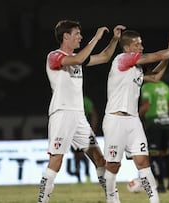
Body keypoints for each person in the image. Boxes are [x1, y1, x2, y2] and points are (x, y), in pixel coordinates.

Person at [37, 20, 125, 203]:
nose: (80, 37)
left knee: (99, 159)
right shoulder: (54, 56)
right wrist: (96, 37)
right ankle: (42, 201)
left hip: (78, 117)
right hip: (61, 114)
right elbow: (77, 59)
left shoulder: (77, 59)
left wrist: (115, 40)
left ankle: (113, 200)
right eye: (77, 34)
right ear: (66, 36)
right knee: (56, 160)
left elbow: (104, 57)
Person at [102, 30, 169, 203]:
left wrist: (168, 54)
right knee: (113, 165)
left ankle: (155, 200)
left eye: (141, 43)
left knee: (143, 161)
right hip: (115, 119)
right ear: (127, 47)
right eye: (137, 44)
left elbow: (156, 77)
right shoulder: (121, 59)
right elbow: (155, 56)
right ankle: (112, 200)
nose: (141, 47)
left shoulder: (136, 68)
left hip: (133, 121)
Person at [139, 80, 169, 193]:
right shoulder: (164, 85)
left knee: (154, 153)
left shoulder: (147, 86)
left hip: (154, 123)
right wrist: (164, 115)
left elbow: (146, 105)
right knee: (165, 152)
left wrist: (137, 117)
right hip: (166, 121)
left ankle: (160, 185)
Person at [71, 95, 99, 183]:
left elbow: (94, 115)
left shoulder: (85, 101)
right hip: (72, 133)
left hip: (83, 131)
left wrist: (92, 129)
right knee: (77, 156)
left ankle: (87, 176)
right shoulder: (68, 100)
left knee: (84, 154)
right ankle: (79, 178)